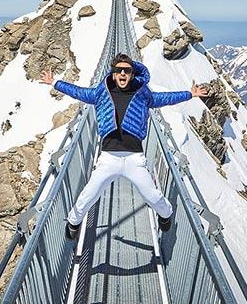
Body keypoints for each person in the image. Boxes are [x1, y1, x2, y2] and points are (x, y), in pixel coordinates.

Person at [40, 53, 208, 239]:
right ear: (112, 74)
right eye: (118, 70)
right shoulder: (101, 92)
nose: (122, 73)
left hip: (134, 158)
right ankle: (73, 222)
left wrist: (190, 94)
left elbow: (165, 98)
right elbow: (79, 92)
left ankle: (166, 215)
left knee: (153, 197)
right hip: (108, 158)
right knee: (89, 194)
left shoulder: (143, 94)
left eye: (127, 70)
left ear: (132, 74)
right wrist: (54, 83)